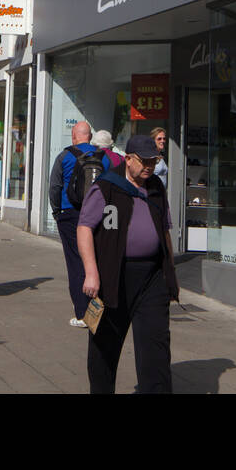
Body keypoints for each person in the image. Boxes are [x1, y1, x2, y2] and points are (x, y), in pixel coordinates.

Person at [77, 134, 177, 394]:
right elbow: (85, 228)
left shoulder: (155, 186)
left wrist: (169, 270)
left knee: (156, 346)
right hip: (114, 277)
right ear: (128, 158)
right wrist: (91, 272)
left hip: (151, 278)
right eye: (144, 161)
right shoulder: (107, 187)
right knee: (104, 348)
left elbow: (164, 228)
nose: (149, 167)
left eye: (153, 161)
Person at [48, 121, 111, 327]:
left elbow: (55, 187)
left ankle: (83, 314)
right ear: (90, 136)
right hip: (97, 214)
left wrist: (57, 211)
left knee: (76, 263)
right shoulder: (105, 157)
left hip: (70, 214)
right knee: (97, 259)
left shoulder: (65, 156)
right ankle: (102, 306)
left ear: (74, 136)